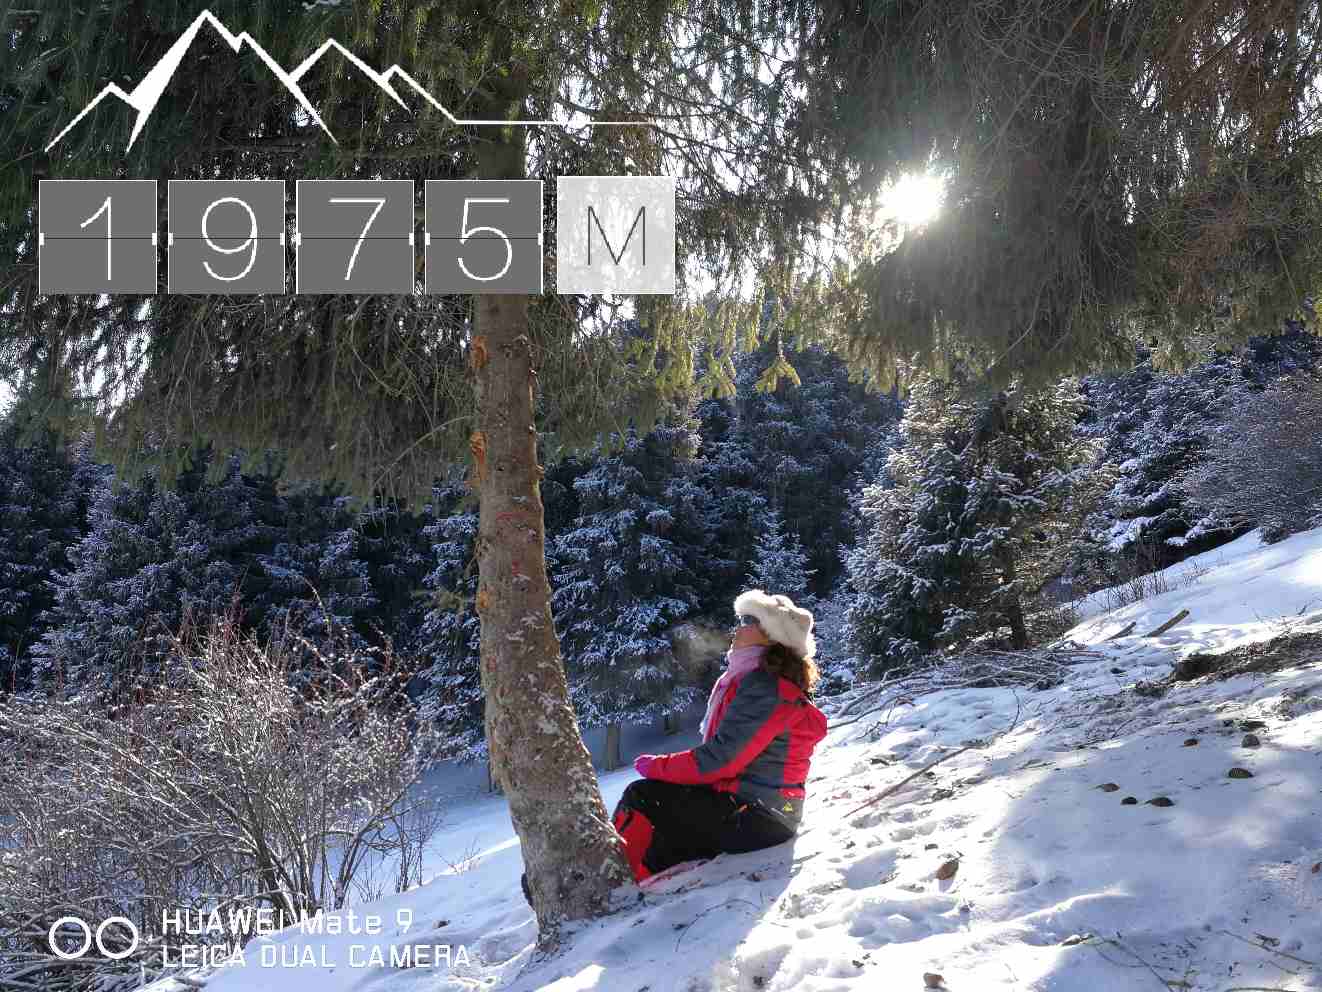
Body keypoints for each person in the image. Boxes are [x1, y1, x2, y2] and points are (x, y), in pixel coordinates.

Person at [609, 588, 828, 883]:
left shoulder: (766, 688)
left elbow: (720, 759)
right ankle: (626, 875)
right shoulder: (753, 681)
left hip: (762, 815)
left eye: (749, 621)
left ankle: (610, 879)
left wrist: (657, 766)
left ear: (771, 636)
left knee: (644, 795)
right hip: (764, 809)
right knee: (666, 825)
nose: (738, 628)